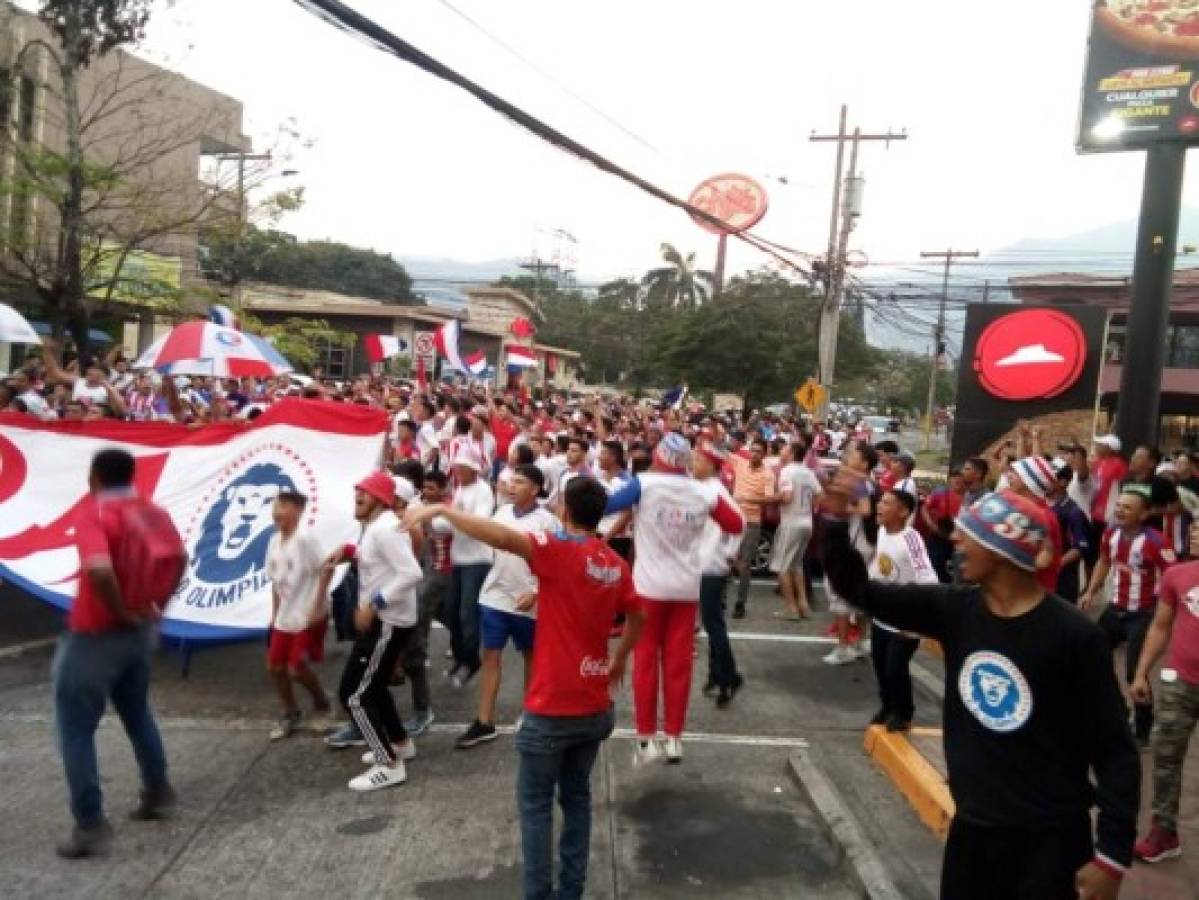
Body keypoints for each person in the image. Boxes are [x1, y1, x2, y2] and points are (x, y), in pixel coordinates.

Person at [822, 479, 1138, 900]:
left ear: (1003, 549)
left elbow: (1115, 749)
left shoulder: (1076, 637)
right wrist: (833, 522)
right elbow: (859, 592)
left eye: (967, 534)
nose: (954, 539)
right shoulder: (956, 609)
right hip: (972, 832)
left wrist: (1112, 858)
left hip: (1051, 841)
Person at [404, 477, 645, 900]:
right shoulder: (614, 564)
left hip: (552, 709)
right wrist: (619, 657)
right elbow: (637, 616)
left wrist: (442, 510)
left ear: (565, 512)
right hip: (595, 707)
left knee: (535, 808)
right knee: (577, 799)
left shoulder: (558, 552)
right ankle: (571, 892)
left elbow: (501, 536)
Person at [53, 448, 177, 858]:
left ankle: (89, 824)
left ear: (94, 477)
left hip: (95, 634)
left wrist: (120, 609)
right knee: (137, 712)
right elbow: (179, 558)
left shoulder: (94, 513)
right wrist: (157, 604)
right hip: (139, 631)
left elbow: (99, 569)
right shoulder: (152, 510)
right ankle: (157, 790)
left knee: (75, 730)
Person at [604, 432, 744, 763]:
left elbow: (608, 505)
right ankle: (675, 738)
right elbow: (736, 523)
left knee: (646, 660)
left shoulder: (645, 483)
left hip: (649, 588)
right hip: (686, 587)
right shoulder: (703, 491)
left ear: (660, 457)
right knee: (679, 663)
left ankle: (645, 739)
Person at [323, 472, 424, 792]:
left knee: (354, 694)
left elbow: (412, 572)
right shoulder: (376, 528)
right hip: (386, 620)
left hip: (386, 621)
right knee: (374, 688)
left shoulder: (385, 530)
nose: (357, 496)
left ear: (380, 498)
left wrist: (373, 605)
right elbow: (381, 561)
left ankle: (389, 764)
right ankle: (399, 742)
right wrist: (350, 551)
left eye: (364, 492)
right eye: (356, 491)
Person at [456, 465, 558, 749]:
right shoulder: (500, 514)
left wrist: (537, 592)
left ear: (535, 489)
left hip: (528, 601)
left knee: (531, 657)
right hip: (495, 596)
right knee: (491, 656)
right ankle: (484, 721)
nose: (511, 487)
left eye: (520, 482)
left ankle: (531, 713)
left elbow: (557, 564)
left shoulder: (548, 522)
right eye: (510, 482)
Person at [1082, 486, 1177, 748]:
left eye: (1127, 507)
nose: (1120, 510)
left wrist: (1167, 615)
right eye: (1119, 505)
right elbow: (1103, 561)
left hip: (1143, 615)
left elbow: (1173, 577)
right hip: (1115, 609)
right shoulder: (1110, 534)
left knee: (1136, 672)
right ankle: (1118, 711)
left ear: (1144, 513)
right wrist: (1091, 590)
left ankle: (1143, 729)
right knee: (1092, 657)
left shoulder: (1157, 542)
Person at [1131, 520, 1199, 863]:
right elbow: (1160, 626)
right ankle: (1164, 831)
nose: (1195, 534)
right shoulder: (1178, 575)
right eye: (1195, 528)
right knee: (1166, 756)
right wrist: (1141, 673)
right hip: (1181, 681)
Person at [867, 489, 939, 733]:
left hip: (906, 620)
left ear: (903, 511)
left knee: (895, 668)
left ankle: (903, 713)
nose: (879, 506)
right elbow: (879, 566)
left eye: (887, 503)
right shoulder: (881, 531)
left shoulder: (912, 539)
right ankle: (887, 706)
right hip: (882, 615)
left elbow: (928, 579)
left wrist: (919, 619)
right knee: (879, 663)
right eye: (880, 502)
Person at [264, 489, 332, 741]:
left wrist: (317, 607)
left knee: (297, 668)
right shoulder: (273, 541)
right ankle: (290, 711)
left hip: (306, 614)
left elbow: (326, 569)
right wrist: (274, 614)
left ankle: (322, 703)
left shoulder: (306, 540)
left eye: (283, 506)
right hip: (285, 615)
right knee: (274, 667)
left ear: (298, 510)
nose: (276, 511)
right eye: (275, 506)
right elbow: (275, 581)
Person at [694, 442, 745, 707]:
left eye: (698, 460)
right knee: (711, 622)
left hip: (711, 566)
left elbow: (740, 522)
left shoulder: (716, 491)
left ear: (712, 465)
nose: (694, 464)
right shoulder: (704, 489)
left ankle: (729, 676)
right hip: (702, 564)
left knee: (714, 624)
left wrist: (729, 553)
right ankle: (718, 673)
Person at [823, 440, 878, 666]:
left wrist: (843, 508)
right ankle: (861, 642)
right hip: (863, 543)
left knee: (839, 592)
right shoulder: (866, 481)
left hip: (853, 543)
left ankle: (844, 646)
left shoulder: (859, 482)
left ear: (864, 463)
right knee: (859, 591)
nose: (847, 454)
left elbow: (865, 510)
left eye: (853, 453)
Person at [445, 451, 496, 687]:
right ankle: (460, 657)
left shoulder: (483, 491)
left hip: (477, 560)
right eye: (456, 468)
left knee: (467, 614)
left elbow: (479, 521)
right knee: (452, 612)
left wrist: (447, 517)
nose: (457, 472)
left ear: (473, 469)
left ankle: (470, 661)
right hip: (459, 558)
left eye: (461, 468)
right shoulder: (460, 489)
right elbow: (452, 521)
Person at [766, 441, 822, 620]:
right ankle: (803, 605)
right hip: (807, 522)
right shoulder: (808, 471)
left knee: (781, 566)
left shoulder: (787, 471)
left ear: (791, 453)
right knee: (796, 565)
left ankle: (791, 608)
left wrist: (767, 499)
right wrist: (807, 508)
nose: (781, 450)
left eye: (784, 448)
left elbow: (786, 496)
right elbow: (820, 494)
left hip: (791, 522)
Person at [730, 436, 770, 619]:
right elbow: (720, 452)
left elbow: (769, 499)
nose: (754, 454)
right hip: (733, 519)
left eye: (758, 451)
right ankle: (721, 598)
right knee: (726, 560)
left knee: (745, 565)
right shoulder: (740, 463)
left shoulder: (768, 474)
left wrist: (749, 499)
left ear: (764, 454)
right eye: (752, 450)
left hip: (752, 521)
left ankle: (740, 603)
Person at [1050, 462, 1093, 604]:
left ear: (1062, 482)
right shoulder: (1042, 504)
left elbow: (1079, 548)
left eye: (1049, 476)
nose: (1043, 479)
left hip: (1063, 583)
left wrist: (1055, 565)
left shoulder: (1073, 512)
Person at [918, 468, 965, 583]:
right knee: (934, 564)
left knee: (960, 569)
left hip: (961, 538)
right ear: (950, 480)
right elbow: (924, 508)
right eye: (955, 481)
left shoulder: (970, 497)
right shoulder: (940, 492)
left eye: (960, 481)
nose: (957, 484)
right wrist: (931, 525)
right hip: (940, 534)